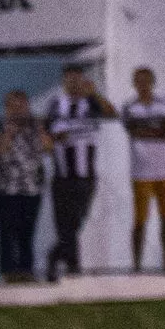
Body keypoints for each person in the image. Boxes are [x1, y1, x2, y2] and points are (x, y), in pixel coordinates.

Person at [38, 63, 116, 281]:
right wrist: (51, 140)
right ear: (64, 82)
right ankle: (73, 267)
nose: (73, 84)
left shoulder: (90, 103)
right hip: (62, 175)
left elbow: (112, 114)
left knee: (76, 221)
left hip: (85, 175)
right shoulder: (55, 106)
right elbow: (44, 132)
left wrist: (94, 93)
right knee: (65, 225)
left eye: (77, 80)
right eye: (69, 80)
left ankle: (56, 257)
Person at [0, 90, 51, 283]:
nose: (18, 110)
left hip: (31, 187)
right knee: (7, 230)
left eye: (21, 105)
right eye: (13, 105)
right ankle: (8, 272)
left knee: (27, 231)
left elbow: (48, 147)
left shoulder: (35, 127)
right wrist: (8, 133)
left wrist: (39, 129)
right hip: (4, 188)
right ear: (6, 107)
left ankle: (26, 270)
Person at [120, 66, 165, 272]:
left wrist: (146, 131)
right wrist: (156, 131)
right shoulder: (129, 106)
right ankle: (136, 264)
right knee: (140, 220)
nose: (143, 85)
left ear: (152, 82)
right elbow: (133, 131)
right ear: (134, 84)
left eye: (146, 81)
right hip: (141, 171)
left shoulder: (164, 104)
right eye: (139, 81)